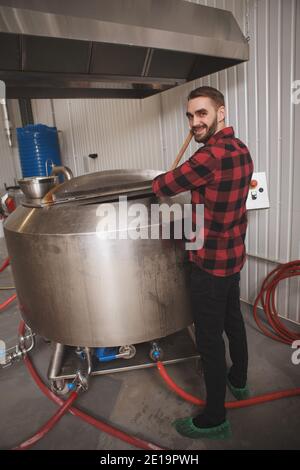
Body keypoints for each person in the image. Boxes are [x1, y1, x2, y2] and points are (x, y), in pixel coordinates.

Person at [152, 86, 254, 440]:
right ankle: (239, 381)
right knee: (233, 321)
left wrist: (160, 183)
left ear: (220, 112)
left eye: (202, 114)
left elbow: (164, 184)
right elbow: (216, 203)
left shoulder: (209, 157)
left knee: (209, 341)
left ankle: (214, 417)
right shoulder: (241, 148)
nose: (194, 122)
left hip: (209, 265)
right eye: (190, 116)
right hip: (233, 255)